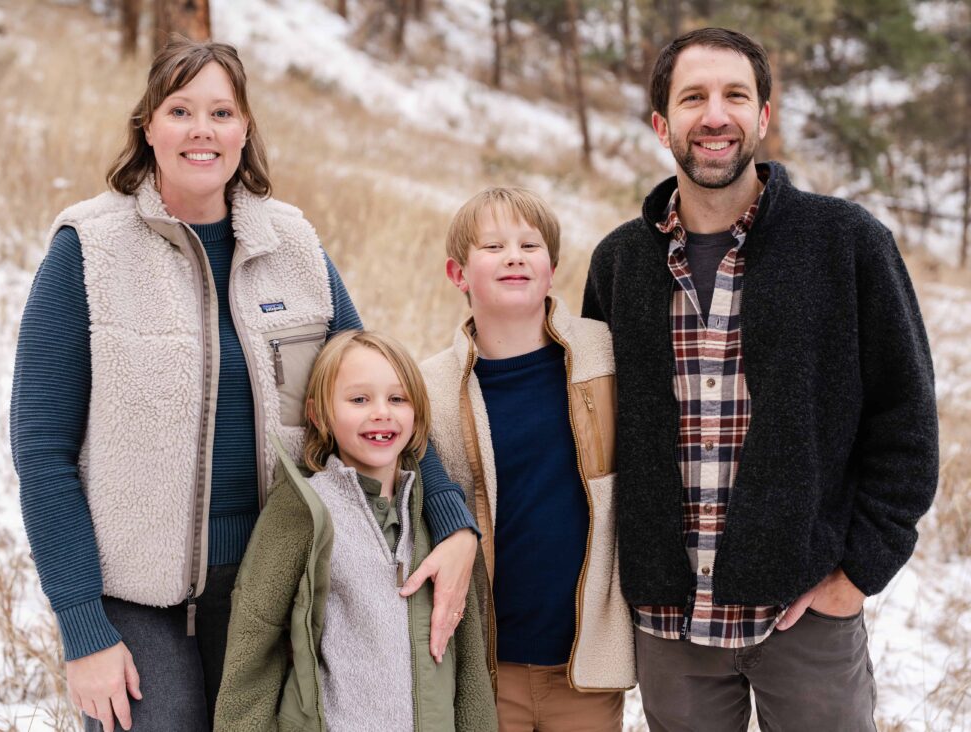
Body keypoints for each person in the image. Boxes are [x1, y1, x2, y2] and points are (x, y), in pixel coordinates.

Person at [10, 38, 479, 732]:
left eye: (222, 112)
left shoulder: (293, 249)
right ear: (147, 125)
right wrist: (83, 629)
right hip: (135, 604)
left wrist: (452, 520)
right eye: (181, 110)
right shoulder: (89, 250)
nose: (203, 130)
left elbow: (384, 394)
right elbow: (42, 451)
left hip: (272, 586)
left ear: (245, 128)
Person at [581, 27, 938, 732]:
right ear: (662, 125)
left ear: (764, 116)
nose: (715, 115)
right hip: (669, 624)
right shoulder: (619, 262)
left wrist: (860, 570)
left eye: (735, 95)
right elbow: (595, 428)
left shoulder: (846, 242)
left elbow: (907, 419)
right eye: (693, 98)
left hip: (802, 613)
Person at [421, 187, 635, 732]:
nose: (514, 255)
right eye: (492, 245)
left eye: (529, 244)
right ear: (458, 274)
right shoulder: (430, 387)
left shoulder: (606, 357)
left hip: (584, 669)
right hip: (487, 669)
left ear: (553, 268)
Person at [214, 331, 497, 731]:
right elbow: (254, 644)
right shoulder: (302, 510)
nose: (381, 412)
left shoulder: (438, 519)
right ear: (319, 415)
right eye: (359, 399)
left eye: (397, 399)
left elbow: (469, 660)